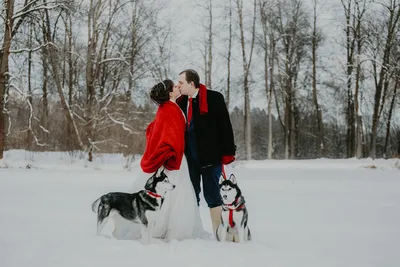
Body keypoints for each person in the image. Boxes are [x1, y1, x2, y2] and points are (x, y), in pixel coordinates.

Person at [130, 79, 205, 241]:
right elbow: (170, 135)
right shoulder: (169, 109)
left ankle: (162, 226)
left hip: (175, 156)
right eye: (176, 87)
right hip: (172, 158)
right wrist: (171, 152)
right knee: (174, 193)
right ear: (170, 93)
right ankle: (163, 227)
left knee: (174, 193)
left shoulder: (169, 107)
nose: (178, 87)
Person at [176, 69, 236, 237]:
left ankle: (219, 231)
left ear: (192, 83)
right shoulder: (180, 102)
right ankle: (193, 230)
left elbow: (225, 127)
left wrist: (228, 152)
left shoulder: (214, 98)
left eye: (181, 82)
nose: (178, 85)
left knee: (212, 195)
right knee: (190, 194)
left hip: (210, 157)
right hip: (190, 159)